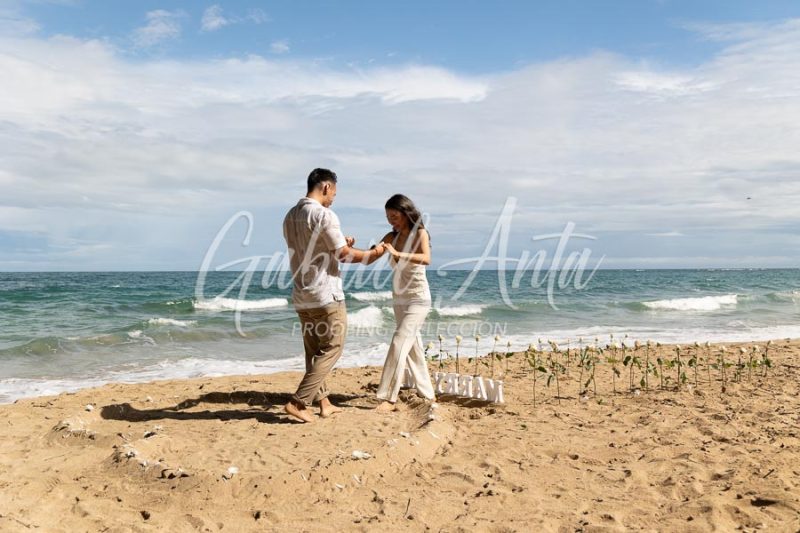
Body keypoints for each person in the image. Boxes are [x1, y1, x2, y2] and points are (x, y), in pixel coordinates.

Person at [282, 168, 385, 423]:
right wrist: (373, 254)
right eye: (334, 194)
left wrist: (343, 243)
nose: (333, 199)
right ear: (326, 187)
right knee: (333, 348)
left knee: (314, 351)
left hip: (302, 293)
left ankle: (324, 403)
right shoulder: (323, 214)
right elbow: (342, 255)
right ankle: (299, 402)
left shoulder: (290, 216)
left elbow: (318, 247)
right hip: (325, 294)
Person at [364, 194, 435, 412]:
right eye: (388, 217)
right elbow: (369, 259)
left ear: (406, 213)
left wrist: (398, 253)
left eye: (394, 216)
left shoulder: (420, 233)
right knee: (412, 347)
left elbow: (426, 258)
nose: (391, 220)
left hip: (418, 298)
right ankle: (428, 394)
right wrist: (347, 247)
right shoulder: (390, 236)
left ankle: (388, 398)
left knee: (398, 341)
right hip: (399, 299)